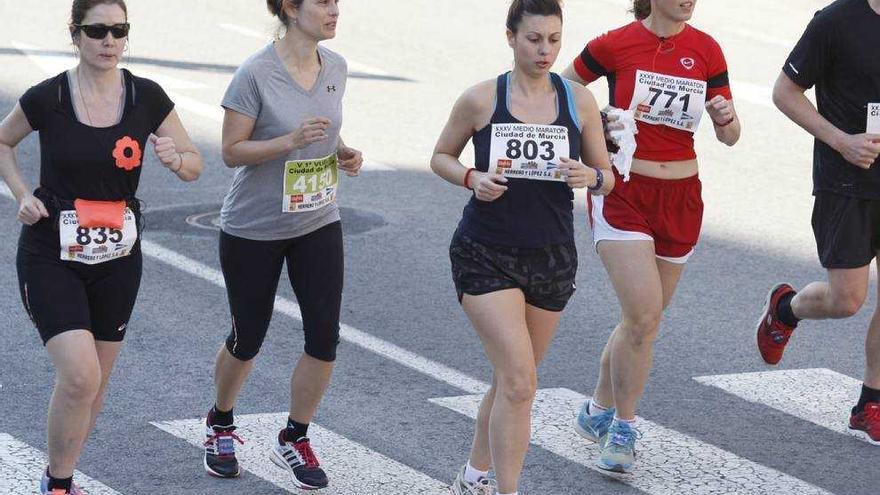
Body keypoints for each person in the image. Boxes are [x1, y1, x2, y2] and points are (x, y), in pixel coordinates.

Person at [0, 1, 203, 493]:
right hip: (52, 252)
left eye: (119, 30)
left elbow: (195, 164)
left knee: (95, 386)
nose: (109, 40)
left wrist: (178, 159)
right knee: (79, 377)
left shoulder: (146, 96)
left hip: (117, 257)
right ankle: (59, 485)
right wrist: (22, 194)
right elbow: (2, 142)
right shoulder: (48, 97)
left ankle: (60, 480)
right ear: (75, 35)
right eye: (97, 31)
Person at [431, 1, 614, 493]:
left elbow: (607, 178)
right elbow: (441, 156)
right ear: (510, 37)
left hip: (551, 256)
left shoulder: (579, 101)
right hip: (485, 251)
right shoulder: (481, 99)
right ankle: (506, 488)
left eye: (554, 39)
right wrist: (473, 177)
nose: (545, 50)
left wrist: (590, 175)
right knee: (520, 382)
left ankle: (473, 476)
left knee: (512, 381)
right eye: (534, 39)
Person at [561, 0, 740, 473]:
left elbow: (731, 135)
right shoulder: (615, 45)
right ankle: (623, 427)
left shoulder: (706, 50)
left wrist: (725, 118)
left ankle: (597, 409)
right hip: (623, 190)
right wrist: (594, 123)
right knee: (642, 315)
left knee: (643, 321)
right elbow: (565, 88)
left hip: (681, 196)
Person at [200, 0, 363, 489]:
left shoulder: (335, 67)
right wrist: (288, 142)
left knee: (324, 336)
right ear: (291, 9)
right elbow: (231, 151)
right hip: (254, 227)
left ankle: (295, 435)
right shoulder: (255, 73)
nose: (335, 10)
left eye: (338, 2)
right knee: (248, 336)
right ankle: (221, 421)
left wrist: (342, 151)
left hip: (317, 219)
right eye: (324, 2)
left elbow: (326, 131)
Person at [755, 0, 880, 445]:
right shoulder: (835, 21)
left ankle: (871, 402)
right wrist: (841, 141)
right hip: (847, 181)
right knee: (848, 299)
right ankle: (786, 309)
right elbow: (784, 92)